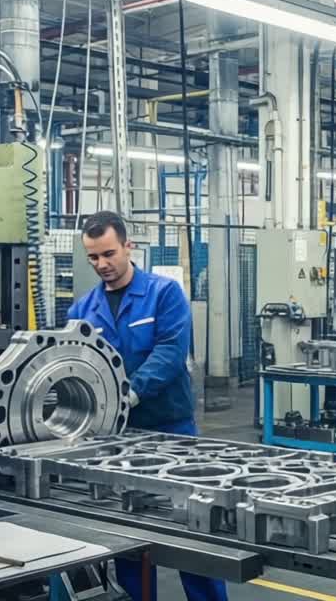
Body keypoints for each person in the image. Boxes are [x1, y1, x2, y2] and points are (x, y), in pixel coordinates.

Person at [67, 210, 227, 601]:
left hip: (171, 428)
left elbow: (170, 352)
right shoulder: (82, 311)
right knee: (129, 537)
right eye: (93, 257)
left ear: (128, 246)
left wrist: (128, 393)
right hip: (118, 439)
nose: (102, 264)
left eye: (108, 254)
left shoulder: (163, 293)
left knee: (192, 534)